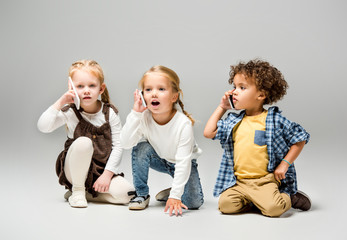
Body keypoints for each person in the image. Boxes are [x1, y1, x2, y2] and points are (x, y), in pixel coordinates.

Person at [203, 59, 311, 217]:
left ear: (261, 94)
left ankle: (289, 197)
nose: (234, 92)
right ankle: (254, 201)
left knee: (274, 209)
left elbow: (300, 138)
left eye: (242, 87)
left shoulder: (274, 120)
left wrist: (284, 165)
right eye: (234, 87)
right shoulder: (234, 121)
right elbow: (209, 132)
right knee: (225, 206)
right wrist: (222, 107)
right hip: (239, 182)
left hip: (264, 181)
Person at [37, 59, 134, 208]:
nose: (86, 90)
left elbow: (118, 146)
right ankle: (77, 190)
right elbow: (43, 126)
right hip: (74, 170)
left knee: (127, 194)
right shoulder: (70, 112)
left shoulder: (110, 113)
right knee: (84, 142)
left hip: (100, 171)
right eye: (80, 86)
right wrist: (61, 100)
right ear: (72, 88)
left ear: (101, 89)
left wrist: (107, 176)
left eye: (92, 85)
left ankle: (88, 194)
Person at [120, 65, 204, 216]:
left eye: (161, 89)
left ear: (174, 96)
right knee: (141, 148)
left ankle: (173, 190)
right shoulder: (144, 117)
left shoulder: (183, 124)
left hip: (183, 163)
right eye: (148, 89)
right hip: (159, 159)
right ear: (142, 94)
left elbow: (183, 162)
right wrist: (135, 113)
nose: (154, 94)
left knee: (193, 202)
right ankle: (142, 194)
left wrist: (175, 196)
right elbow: (126, 143)